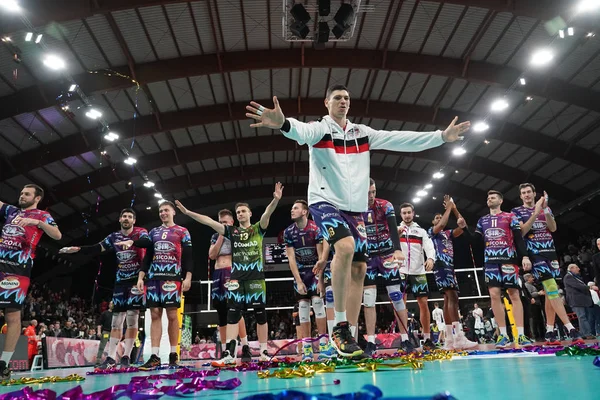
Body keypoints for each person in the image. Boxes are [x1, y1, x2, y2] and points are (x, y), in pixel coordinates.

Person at [245, 85, 469, 357]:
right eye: (338, 97)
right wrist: (282, 123)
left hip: (355, 209)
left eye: (347, 98)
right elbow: (300, 130)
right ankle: (338, 326)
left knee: (359, 269)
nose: (343, 101)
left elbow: (399, 138)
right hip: (324, 202)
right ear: (326, 102)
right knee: (346, 247)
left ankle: (348, 338)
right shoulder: (320, 129)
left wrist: (441, 137)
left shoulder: (362, 133)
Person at [175, 182, 283, 365]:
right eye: (238, 211)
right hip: (236, 279)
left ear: (249, 213)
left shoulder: (258, 228)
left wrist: (276, 200)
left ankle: (264, 352)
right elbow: (208, 221)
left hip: (256, 278)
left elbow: (267, 213)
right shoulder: (230, 231)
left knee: (260, 314)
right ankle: (230, 354)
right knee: (232, 314)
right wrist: (187, 213)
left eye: (243, 211)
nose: (241, 213)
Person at [60, 208, 151, 368]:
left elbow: (147, 242)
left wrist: (132, 242)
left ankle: (126, 357)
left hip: (137, 280)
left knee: (132, 318)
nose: (127, 219)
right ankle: (110, 358)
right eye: (124, 216)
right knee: (116, 322)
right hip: (120, 282)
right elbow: (97, 248)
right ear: (119, 219)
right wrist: (78, 249)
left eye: (130, 217)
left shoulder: (140, 232)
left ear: (134, 221)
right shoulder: (113, 237)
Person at [0, 185, 62, 380]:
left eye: (26, 194)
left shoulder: (42, 215)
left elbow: (57, 235)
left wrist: (37, 222)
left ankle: (3, 364)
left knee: (12, 316)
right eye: (21, 193)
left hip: (18, 270)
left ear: (36, 198)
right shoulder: (11, 211)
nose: (22, 196)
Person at [511, 183, 583, 345]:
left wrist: (545, 209)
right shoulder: (517, 212)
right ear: (521, 196)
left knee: (550, 292)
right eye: (524, 193)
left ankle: (549, 330)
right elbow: (521, 231)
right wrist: (536, 212)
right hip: (534, 254)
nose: (527, 195)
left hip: (550, 252)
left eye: (529, 192)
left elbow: (553, 227)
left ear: (535, 193)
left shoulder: (546, 209)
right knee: (552, 288)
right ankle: (570, 327)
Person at [466, 190, 533, 348]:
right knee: (494, 295)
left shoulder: (510, 217)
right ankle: (502, 335)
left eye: (493, 197)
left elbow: (518, 237)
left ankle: (521, 335)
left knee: (514, 294)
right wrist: (463, 229)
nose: (489, 199)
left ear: (501, 200)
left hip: (509, 260)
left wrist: (524, 256)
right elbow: (475, 241)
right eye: (488, 197)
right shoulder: (483, 220)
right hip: (490, 262)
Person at [137, 201, 193, 370]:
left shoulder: (183, 231)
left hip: (172, 279)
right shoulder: (153, 232)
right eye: (160, 211)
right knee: (154, 315)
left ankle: (173, 354)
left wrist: (188, 276)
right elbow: (147, 257)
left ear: (173, 212)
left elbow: (189, 256)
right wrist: (141, 276)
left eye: (166, 210)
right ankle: (154, 356)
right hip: (154, 279)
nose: (163, 213)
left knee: (172, 316)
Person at [362, 178, 407, 355]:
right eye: (367, 193)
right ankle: (371, 343)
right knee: (369, 299)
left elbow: (393, 227)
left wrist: (397, 249)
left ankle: (405, 339)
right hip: (368, 258)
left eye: (373, 192)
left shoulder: (386, 205)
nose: (371, 196)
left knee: (396, 295)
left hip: (388, 254)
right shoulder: (356, 208)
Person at [284, 200, 333, 361]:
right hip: (301, 274)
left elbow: (321, 257)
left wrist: (320, 281)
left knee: (318, 305)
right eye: (292, 208)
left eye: (295, 208)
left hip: (315, 271)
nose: (292, 210)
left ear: (304, 212)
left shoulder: (315, 228)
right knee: (303, 308)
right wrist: (298, 281)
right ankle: (307, 348)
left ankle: (324, 345)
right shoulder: (288, 232)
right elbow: (291, 259)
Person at [428, 196, 477, 350]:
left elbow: (462, 225)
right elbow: (442, 222)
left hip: (449, 266)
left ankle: (449, 339)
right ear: (433, 222)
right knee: (453, 297)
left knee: (448, 299)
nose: (439, 219)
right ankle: (459, 337)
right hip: (441, 266)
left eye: (440, 217)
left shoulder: (448, 233)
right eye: (436, 218)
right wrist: (448, 207)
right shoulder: (432, 232)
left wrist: (454, 208)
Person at [208, 209, 250, 361]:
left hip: (232, 273)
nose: (222, 225)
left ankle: (245, 346)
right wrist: (221, 233)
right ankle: (226, 350)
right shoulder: (214, 236)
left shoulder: (238, 234)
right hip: (218, 275)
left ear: (232, 222)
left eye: (225, 222)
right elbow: (212, 255)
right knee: (221, 313)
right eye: (220, 222)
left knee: (235, 310)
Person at [398, 203, 436, 350]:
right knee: (400, 305)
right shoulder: (396, 230)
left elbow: (429, 246)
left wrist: (431, 258)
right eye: (404, 213)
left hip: (418, 272)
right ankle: (404, 339)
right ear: (401, 215)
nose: (407, 215)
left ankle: (427, 339)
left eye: (409, 212)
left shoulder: (421, 231)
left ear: (413, 213)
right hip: (401, 271)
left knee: (424, 304)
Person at [564, 264, 596, 338]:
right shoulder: (568, 277)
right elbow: (578, 286)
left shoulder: (575, 277)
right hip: (576, 301)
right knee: (582, 317)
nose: (578, 269)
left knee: (584, 317)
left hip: (581, 301)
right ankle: (587, 334)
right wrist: (590, 287)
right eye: (576, 267)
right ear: (571, 268)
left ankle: (584, 333)